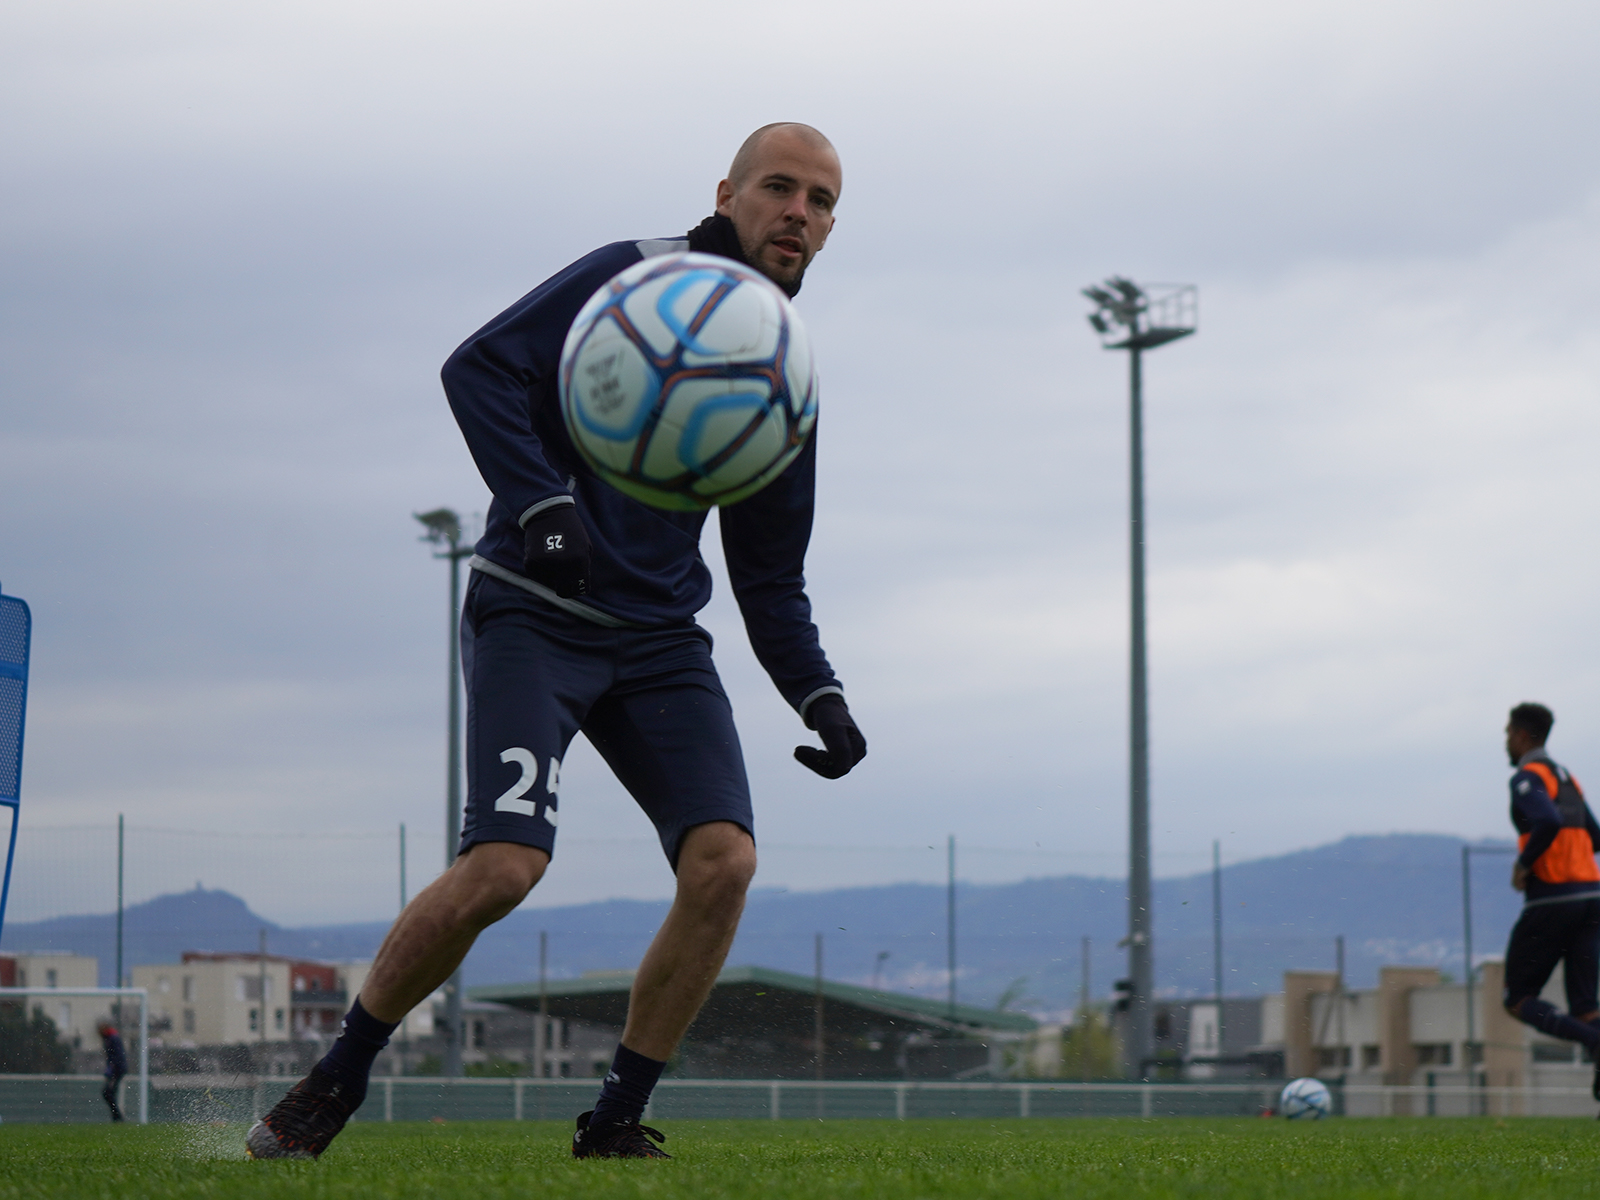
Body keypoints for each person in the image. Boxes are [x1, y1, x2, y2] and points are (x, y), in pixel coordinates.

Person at [247, 123, 865, 1162]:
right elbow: (477, 368)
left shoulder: (781, 373)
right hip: (533, 616)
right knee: (503, 868)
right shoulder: (630, 281)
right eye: (780, 188)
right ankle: (333, 1079)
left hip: (661, 644)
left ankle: (615, 1121)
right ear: (727, 192)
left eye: (822, 200)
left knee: (724, 864)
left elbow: (767, 576)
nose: (799, 213)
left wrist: (819, 696)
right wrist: (540, 502)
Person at [1500, 702, 1600, 1099]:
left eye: (1508, 734)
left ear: (1523, 735)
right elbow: (1595, 835)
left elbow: (1547, 821)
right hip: (1593, 896)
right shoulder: (1567, 777)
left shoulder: (1530, 776)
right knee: (1585, 1008)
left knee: (1517, 998)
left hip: (1554, 899)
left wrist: (1524, 864)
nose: (1506, 742)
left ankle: (1595, 1044)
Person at [97, 1022, 127, 1122]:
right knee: (109, 1093)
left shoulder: (112, 1038)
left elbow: (116, 1056)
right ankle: (116, 1116)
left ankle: (117, 1116)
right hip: (116, 1070)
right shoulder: (111, 1038)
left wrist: (111, 1070)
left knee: (108, 1093)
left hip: (116, 1070)